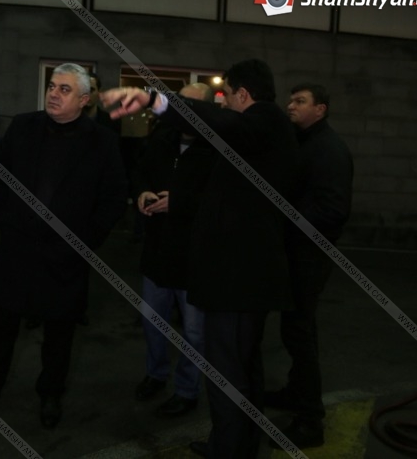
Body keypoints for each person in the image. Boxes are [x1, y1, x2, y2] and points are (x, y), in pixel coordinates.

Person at [102, 59, 298, 458]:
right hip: (241, 277)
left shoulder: (265, 122)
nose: (223, 106)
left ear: (243, 95)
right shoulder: (261, 133)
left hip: (238, 280)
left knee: (227, 372)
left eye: (226, 97)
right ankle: (237, 444)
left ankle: (228, 451)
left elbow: (219, 124)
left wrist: (155, 100)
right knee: (243, 368)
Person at [0, 63, 127, 429]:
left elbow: (113, 198)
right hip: (18, 247)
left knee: (59, 332)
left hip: (65, 255)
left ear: (84, 100)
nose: (53, 94)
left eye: (64, 89)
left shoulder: (102, 141)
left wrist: (86, 241)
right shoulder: (23, 126)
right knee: (2, 324)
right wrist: (5, 221)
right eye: (52, 86)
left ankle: (50, 394)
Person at [265, 84, 354, 448]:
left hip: (309, 255)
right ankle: (295, 393)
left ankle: (310, 422)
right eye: (291, 100)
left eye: (300, 101)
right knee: (296, 330)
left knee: (300, 334)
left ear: (321, 109)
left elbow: (333, 210)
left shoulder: (328, 149)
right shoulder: (304, 142)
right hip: (296, 253)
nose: (291, 105)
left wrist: (285, 218)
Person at [133, 83, 216, 418]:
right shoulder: (163, 137)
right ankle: (155, 374)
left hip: (195, 258)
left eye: (193, 106)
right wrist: (142, 192)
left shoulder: (218, 149)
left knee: (195, 332)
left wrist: (180, 203)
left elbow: (222, 201)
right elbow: (141, 172)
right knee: (152, 322)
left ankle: (186, 390)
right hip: (158, 250)